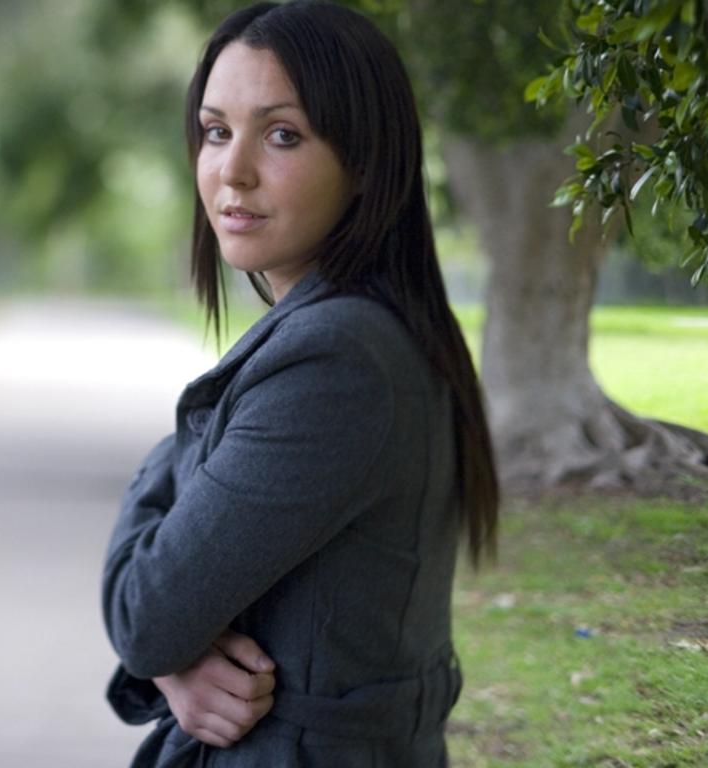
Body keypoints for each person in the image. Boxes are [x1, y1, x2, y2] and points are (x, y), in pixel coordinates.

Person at [101, 2, 499, 765]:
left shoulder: (336, 361)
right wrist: (180, 666)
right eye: (216, 131)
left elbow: (146, 613)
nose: (232, 170)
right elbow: (172, 631)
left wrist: (167, 645)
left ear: (365, 164)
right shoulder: (375, 331)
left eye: (282, 134)